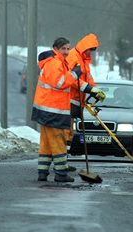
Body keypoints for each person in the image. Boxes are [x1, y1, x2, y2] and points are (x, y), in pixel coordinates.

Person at [31, 37, 84, 182]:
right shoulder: (54, 63)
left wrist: (71, 72)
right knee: (59, 141)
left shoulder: (56, 62)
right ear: (56, 48)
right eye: (64, 49)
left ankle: (42, 172)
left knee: (47, 143)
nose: (67, 52)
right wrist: (74, 74)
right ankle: (61, 174)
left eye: (68, 48)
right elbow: (59, 83)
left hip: (46, 110)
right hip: (53, 111)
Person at [66, 33, 106, 137]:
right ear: (85, 47)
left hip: (78, 100)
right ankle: (64, 151)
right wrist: (88, 89)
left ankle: (69, 149)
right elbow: (71, 78)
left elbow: (87, 77)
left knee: (74, 132)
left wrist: (95, 89)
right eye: (89, 50)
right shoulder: (72, 56)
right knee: (68, 130)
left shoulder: (84, 60)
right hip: (69, 99)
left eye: (92, 51)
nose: (90, 53)